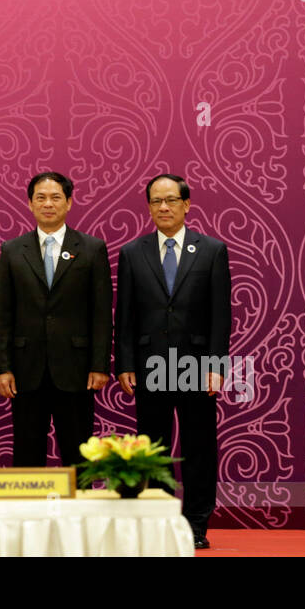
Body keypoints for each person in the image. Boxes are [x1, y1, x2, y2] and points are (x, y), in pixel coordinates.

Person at [114, 174, 231, 550]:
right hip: (149, 364)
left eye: (171, 200)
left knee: (199, 446)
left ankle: (196, 523)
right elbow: (125, 314)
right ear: (148, 207)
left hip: (197, 364)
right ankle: (162, 521)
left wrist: (216, 366)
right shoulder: (133, 252)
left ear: (186, 204)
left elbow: (220, 315)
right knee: (155, 447)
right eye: (156, 201)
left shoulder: (211, 250)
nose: (163, 207)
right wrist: (125, 363)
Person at [0, 171, 112, 467]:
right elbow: (3, 314)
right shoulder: (12, 250)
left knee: (79, 453)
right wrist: (3, 368)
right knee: (27, 452)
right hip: (25, 369)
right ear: (30, 204)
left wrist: (99, 365)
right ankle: (28, 514)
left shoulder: (92, 248)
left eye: (56, 197)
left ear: (69, 202)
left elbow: (101, 313)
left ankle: (80, 513)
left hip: (76, 369)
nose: (48, 203)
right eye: (40, 198)